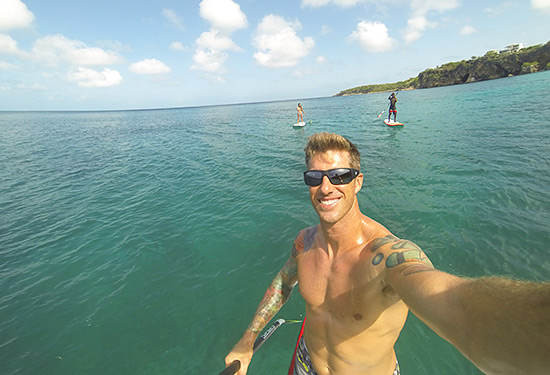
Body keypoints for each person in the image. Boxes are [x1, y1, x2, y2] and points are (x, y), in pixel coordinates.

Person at [224, 132, 550, 375]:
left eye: (340, 176)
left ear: (358, 182)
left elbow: (457, 305)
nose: (326, 188)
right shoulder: (304, 243)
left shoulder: (387, 257)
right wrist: (248, 338)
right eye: (315, 177)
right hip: (306, 364)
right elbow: (284, 282)